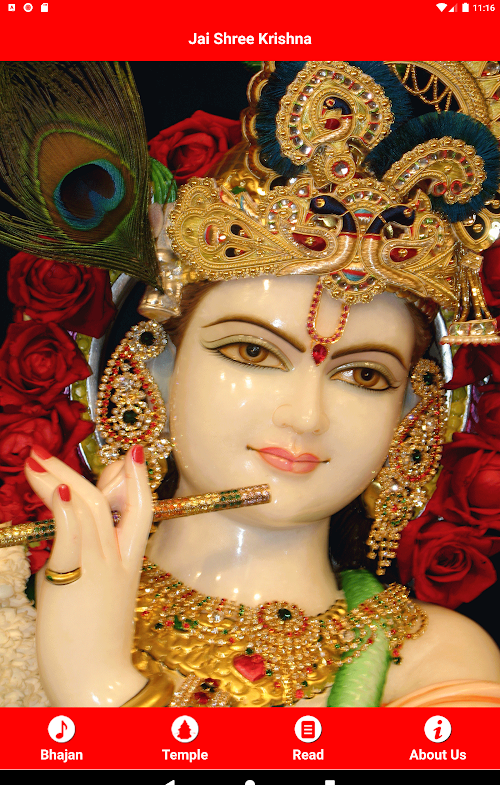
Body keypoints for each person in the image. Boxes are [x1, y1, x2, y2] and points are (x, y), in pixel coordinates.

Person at [2, 60, 500, 707]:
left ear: (412, 417)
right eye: (253, 352)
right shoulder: (13, 610)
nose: (307, 415)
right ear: (155, 370)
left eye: (363, 375)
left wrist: (101, 688)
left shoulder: (432, 663)